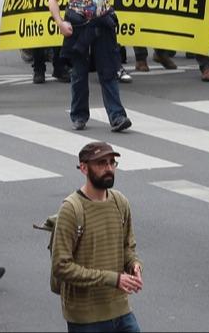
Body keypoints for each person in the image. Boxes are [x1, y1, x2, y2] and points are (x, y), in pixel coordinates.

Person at [48, 0, 142, 132]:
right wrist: (60, 22)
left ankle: (117, 116)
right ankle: (79, 115)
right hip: (78, 25)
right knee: (79, 73)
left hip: (102, 23)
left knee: (108, 72)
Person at [51, 142, 142, 333]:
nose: (109, 168)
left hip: (121, 310)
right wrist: (112, 279)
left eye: (111, 163)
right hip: (86, 317)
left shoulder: (120, 202)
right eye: (101, 163)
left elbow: (127, 247)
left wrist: (134, 265)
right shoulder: (72, 209)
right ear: (83, 168)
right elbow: (61, 266)